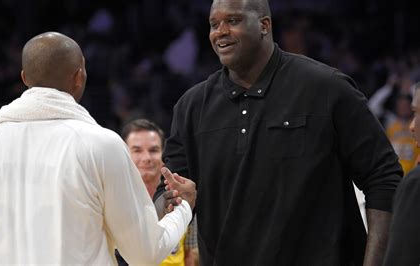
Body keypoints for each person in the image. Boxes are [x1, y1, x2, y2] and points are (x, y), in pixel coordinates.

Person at [154, 0, 402, 265]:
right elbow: (163, 198)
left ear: (264, 25)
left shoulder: (327, 88)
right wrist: (176, 200)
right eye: (214, 24)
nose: (220, 32)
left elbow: (383, 178)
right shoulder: (191, 107)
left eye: (233, 21)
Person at [0, 31, 196, 265]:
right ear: (79, 77)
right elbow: (145, 254)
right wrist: (183, 209)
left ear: (24, 78)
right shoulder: (101, 144)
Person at [118, 118, 199, 266]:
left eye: (153, 150)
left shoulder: (179, 197)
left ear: (163, 155)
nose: (146, 158)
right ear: (124, 155)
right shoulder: (114, 203)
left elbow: (190, 255)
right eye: (137, 150)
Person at [383, 82, 420, 265]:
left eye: (417, 112)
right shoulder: (392, 125)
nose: (413, 126)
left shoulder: (416, 181)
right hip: (399, 181)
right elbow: (372, 106)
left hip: (410, 180)